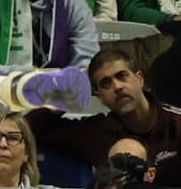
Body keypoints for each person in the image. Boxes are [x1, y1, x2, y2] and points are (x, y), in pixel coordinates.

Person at [28, 48, 181, 181]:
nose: (117, 87)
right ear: (98, 95)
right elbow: (26, 129)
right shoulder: (97, 132)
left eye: (122, 76)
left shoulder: (176, 122)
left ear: (139, 79)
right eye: (106, 83)